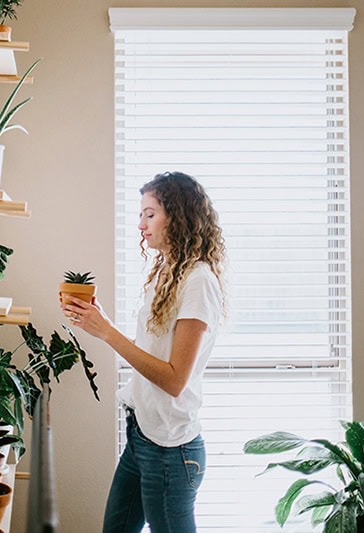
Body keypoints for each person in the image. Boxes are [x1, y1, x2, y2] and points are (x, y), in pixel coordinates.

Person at [61, 171, 226, 533]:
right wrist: (101, 320)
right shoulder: (166, 272)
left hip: (170, 450)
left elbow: (174, 379)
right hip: (141, 435)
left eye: (150, 214)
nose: (141, 225)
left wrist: (106, 333)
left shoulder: (198, 282)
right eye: (141, 215)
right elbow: (152, 351)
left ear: (179, 217)